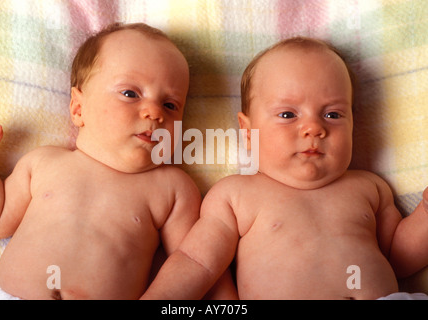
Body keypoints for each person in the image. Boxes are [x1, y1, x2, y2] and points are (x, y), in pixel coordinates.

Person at [141, 37, 428, 300]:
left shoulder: (369, 187)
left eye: (333, 114)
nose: (314, 128)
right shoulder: (236, 195)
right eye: (288, 114)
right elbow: (197, 262)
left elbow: (399, 258)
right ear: (248, 131)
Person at [0, 22, 205, 300]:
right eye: (130, 94)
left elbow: (189, 263)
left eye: (170, 105)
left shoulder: (172, 189)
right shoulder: (45, 163)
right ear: (78, 108)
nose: (154, 112)